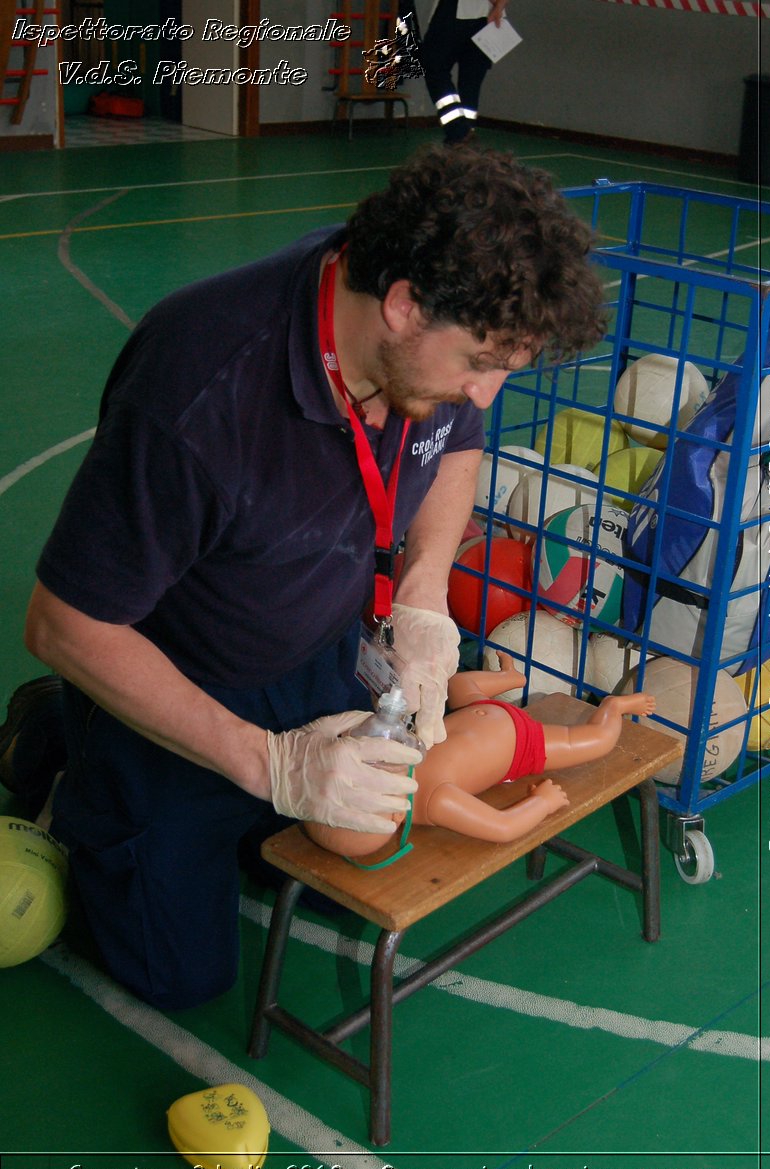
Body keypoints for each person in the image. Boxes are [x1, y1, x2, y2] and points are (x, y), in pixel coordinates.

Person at [1, 144, 605, 1010]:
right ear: (400, 308)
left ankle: (222, 789)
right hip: (179, 675)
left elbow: (458, 445)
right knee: (181, 979)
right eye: (480, 363)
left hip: (316, 640)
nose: (485, 393)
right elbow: (65, 625)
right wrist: (267, 763)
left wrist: (427, 590)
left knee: (332, 851)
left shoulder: (437, 315)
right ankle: (59, 744)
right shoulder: (197, 393)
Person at [306, 653, 656, 857]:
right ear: (396, 817)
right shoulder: (434, 802)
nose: (377, 763)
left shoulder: (392, 753)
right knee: (597, 741)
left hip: (478, 709)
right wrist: (543, 803)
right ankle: (615, 706)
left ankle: (509, 678)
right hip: (523, 744)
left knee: (456, 684)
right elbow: (502, 827)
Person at [421, 0, 509, 145]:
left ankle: (459, 133)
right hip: (489, 15)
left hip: (456, 12)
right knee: (471, 82)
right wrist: (500, 5)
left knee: (435, 67)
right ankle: (466, 136)